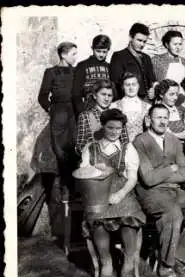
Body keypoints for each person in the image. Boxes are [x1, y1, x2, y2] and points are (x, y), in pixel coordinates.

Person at [133, 104, 185, 277]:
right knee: (173, 214)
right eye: (158, 117)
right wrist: (171, 169)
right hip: (151, 193)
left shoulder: (173, 140)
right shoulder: (140, 141)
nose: (162, 121)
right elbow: (149, 180)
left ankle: (179, 259)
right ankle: (166, 267)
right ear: (149, 120)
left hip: (174, 190)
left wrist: (164, 174)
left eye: (165, 118)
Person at [79, 108, 146, 277]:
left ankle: (129, 261)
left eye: (119, 128)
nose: (115, 132)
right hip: (97, 193)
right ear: (103, 126)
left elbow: (132, 178)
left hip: (122, 190)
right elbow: (83, 175)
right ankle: (106, 261)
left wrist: (120, 194)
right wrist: (94, 169)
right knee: (97, 219)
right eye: (111, 128)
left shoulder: (128, 148)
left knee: (129, 218)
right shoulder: (91, 148)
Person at [38, 41, 79, 202]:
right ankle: (65, 189)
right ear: (63, 54)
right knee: (60, 152)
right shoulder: (51, 72)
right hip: (59, 113)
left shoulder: (76, 71)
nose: (76, 57)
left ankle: (76, 190)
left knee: (75, 148)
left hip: (73, 113)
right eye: (73, 54)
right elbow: (42, 96)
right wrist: (52, 110)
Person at [75, 79, 129, 156]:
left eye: (109, 95)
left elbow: (125, 142)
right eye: (103, 94)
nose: (106, 99)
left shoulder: (118, 115)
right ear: (95, 95)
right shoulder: (85, 116)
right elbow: (80, 146)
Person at [110, 23, 155, 100]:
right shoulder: (119, 56)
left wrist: (153, 89)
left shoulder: (147, 58)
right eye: (139, 40)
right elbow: (115, 83)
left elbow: (153, 80)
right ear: (130, 37)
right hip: (126, 101)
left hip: (147, 102)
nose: (142, 44)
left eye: (144, 41)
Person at [72, 34, 112, 116]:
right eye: (98, 51)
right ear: (92, 48)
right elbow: (76, 93)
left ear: (108, 50)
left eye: (104, 52)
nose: (101, 54)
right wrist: (81, 111)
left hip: (107, 109)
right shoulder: (82, 66)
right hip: (89, 108)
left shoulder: (109, 67)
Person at [110, 72, 151, 141]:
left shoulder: (148, 107)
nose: (131, 88)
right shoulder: (113, 106)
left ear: (138, 86)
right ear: (122, 87)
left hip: (142, 146)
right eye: (127, 85)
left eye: (134, 84)